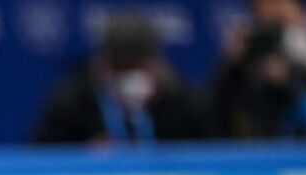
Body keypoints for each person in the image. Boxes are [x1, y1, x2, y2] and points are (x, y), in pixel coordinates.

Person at [33, 13, 214, 144]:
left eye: (136, 67)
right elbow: (41, 161)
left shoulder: (187, 103)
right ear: (104, 61)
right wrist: (83, 157)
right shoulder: (72, 102)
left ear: (156, 62)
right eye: (120, 67)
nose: (129, 77)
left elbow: (215, 154)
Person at [211, 0, 306, 139]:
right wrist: (232, 63)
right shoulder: (248, 50)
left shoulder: (305, 48)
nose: (271, 13)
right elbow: (217, 106)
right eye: (263, 9)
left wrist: (288, 77)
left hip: (302, 139)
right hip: (254, 142)